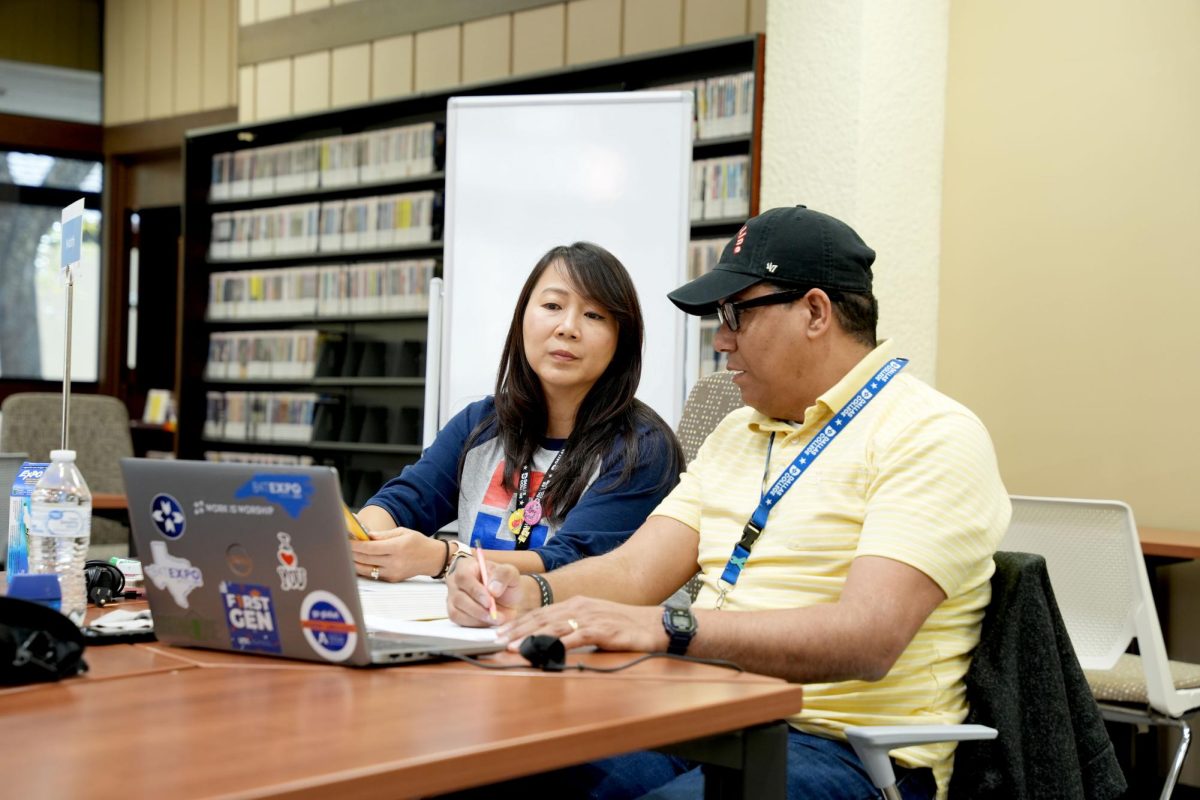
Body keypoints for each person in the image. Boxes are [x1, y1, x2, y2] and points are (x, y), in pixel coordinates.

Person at [446, 206, 1011, 800]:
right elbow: (635, 571)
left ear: (815, 312)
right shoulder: (739, 433)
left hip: (839, 748)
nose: (720, 341)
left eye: (735, 315)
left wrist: (670, 627)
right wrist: (529, 590)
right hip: (697, 715)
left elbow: (868, 637)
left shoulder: (930, 433)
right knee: (485, 764)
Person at [352, 241, 684, 584]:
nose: (568, 327)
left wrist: (446, 559)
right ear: (523, 318)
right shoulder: (480, 424)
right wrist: (366, 539)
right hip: (468, 627)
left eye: (594, 315)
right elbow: (404, 501)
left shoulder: (641, 448)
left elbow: (574, 562)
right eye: (553, 305)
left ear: (621, 340)